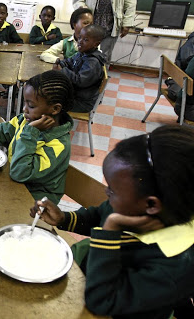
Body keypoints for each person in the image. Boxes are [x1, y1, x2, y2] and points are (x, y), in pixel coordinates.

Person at [30, 125, 194, 319]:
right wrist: (64, 219)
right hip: (87, 274)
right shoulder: (138, 205)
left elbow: (102, 300)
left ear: (151, 204)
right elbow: (99, 214)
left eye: (112, 191)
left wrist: (111, 228)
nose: (107, 194)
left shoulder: (174, 267)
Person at [0, 70, 74, 204]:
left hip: (34, 202)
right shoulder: (24, 120)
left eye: (31, 106)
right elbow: (0, 132)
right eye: (25, 103)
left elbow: (21, 173)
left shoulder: (58, 145)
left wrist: (30, 133)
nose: (24, 110)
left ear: (55, 109)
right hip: (11, 183)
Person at [73, 0, 137, 64]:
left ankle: (101, 77)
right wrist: (83, 12)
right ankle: (79, 77)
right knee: (81, 55)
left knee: (103, 58)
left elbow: (131, 0)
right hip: (89, 24)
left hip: (110, 24)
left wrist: (127, 23)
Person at [54, 24, 106, 112]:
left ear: (96, 44)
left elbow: (79, 81)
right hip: (75, 94)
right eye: (79, 37)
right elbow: (69, 62)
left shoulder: (93, 63)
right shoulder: (83, 53)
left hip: (82, 102)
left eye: (85, 40)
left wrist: (62, 71)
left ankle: (53, 124)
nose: (80, 41)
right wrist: (60, 63)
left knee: (47, 100)